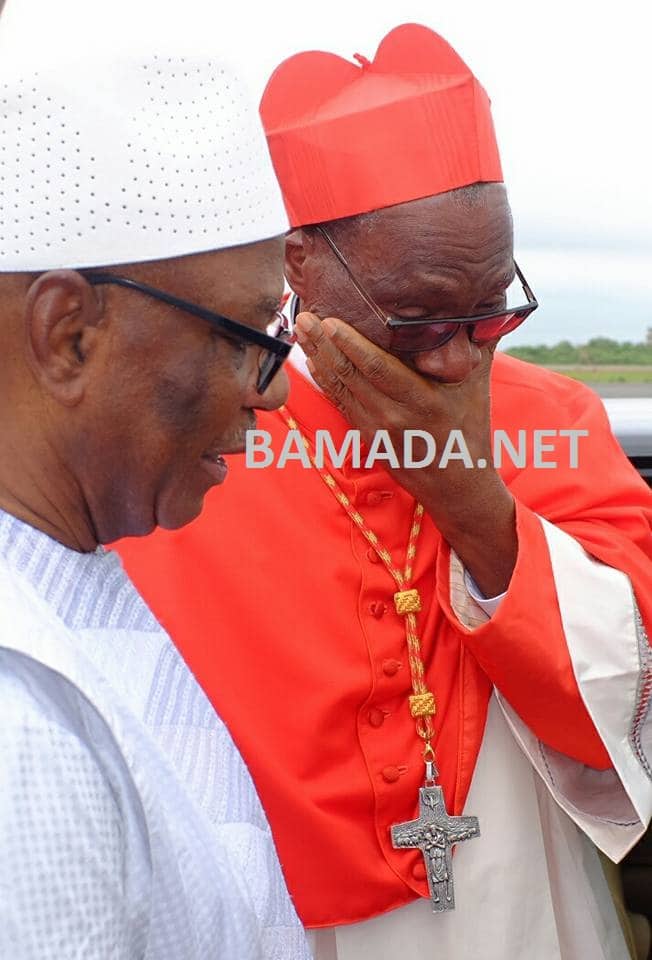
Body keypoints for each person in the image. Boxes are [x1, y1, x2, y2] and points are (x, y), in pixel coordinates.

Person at [117, 23, 652, 960]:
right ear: (298, 263)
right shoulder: (186, 433)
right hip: (271, 907)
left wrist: (472, 501)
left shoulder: (556, 412)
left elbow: (633, 688)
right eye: (422, 316)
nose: (458, 354)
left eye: (491, 311)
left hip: (520, 901)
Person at [0, 31, 310, 960]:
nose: (278, 388)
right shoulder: (21, 731)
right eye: (243, 333)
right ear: (68, 337)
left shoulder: (66, 569)